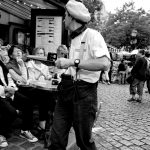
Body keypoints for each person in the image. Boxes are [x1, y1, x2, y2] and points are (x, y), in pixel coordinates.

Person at [48, 0, 110, 150]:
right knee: (56, 139)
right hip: (66, 90)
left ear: (71, 17)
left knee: (84, 142)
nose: (63, 19)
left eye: (65, 16)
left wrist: (71, 62)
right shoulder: (72, 37)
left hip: (84, 94)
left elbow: (104, 63)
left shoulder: (93, 35)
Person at [6, 45, 53, 132]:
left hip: (25, 87)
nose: (19, 52)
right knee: (29, 100)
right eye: (16, 51)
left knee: (45, 93)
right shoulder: (10, 66)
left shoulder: (21, 63)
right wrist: (23, 66)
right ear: (11, 55)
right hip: (16, 90)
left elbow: (28, 80)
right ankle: (26, 129)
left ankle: (42, 121)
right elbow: (23, 80)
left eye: (20, 50)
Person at [0, 59, 38, 147]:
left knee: (28, 101)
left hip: (9, 90)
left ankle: (25, 130)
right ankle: (1, 134)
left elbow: (9, 78)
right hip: (1, 93)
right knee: (11, 111)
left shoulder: (1, 64)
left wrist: (12, 88)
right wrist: (5, 90)